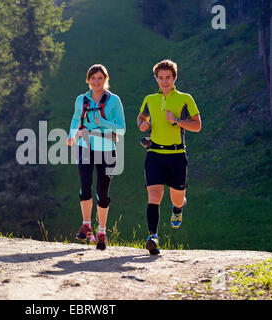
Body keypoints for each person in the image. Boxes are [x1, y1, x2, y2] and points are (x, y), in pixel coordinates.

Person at [137, 59, 201, 255]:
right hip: (154, 153)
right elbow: (142, 117)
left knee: (177, 197)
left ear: (175, 78)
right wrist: (142, 125)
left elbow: (197, 126)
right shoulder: (150, 99)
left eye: (168, 78)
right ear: (156, 78)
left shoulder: (185, 99)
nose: (165, 82)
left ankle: (178, 208)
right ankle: (152, 237)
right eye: (161, 78)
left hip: (176, 155)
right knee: (154, 195)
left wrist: (178, 121)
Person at [67, 64, 126, 250]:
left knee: (102, 192)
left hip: (107, 148)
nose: (96, 81)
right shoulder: (81, 100)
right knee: (85, 187)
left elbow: (122, 129)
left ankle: (102, 232)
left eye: (100, 78)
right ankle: (86, 226)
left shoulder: (114, 101)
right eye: (93, 78)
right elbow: (77, 118)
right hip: (85, 146)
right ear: (88, 80)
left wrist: (104, 122)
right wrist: (71, 134)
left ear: (105, 79)